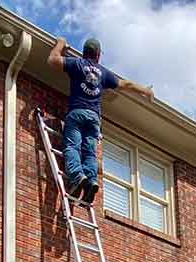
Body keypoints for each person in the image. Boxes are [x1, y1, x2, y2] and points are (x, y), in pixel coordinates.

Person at [47, 36, 154, 204]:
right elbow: (126, 84)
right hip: (94, 118)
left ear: (84, 53)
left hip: (77, 112)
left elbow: (53, 60)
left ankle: (77, 177)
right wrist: (145, 91)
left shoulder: (77, 64)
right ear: (98, 55)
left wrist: (60, 43)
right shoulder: (103, 73)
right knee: (89, 152)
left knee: (72, 147)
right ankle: (91, 180)